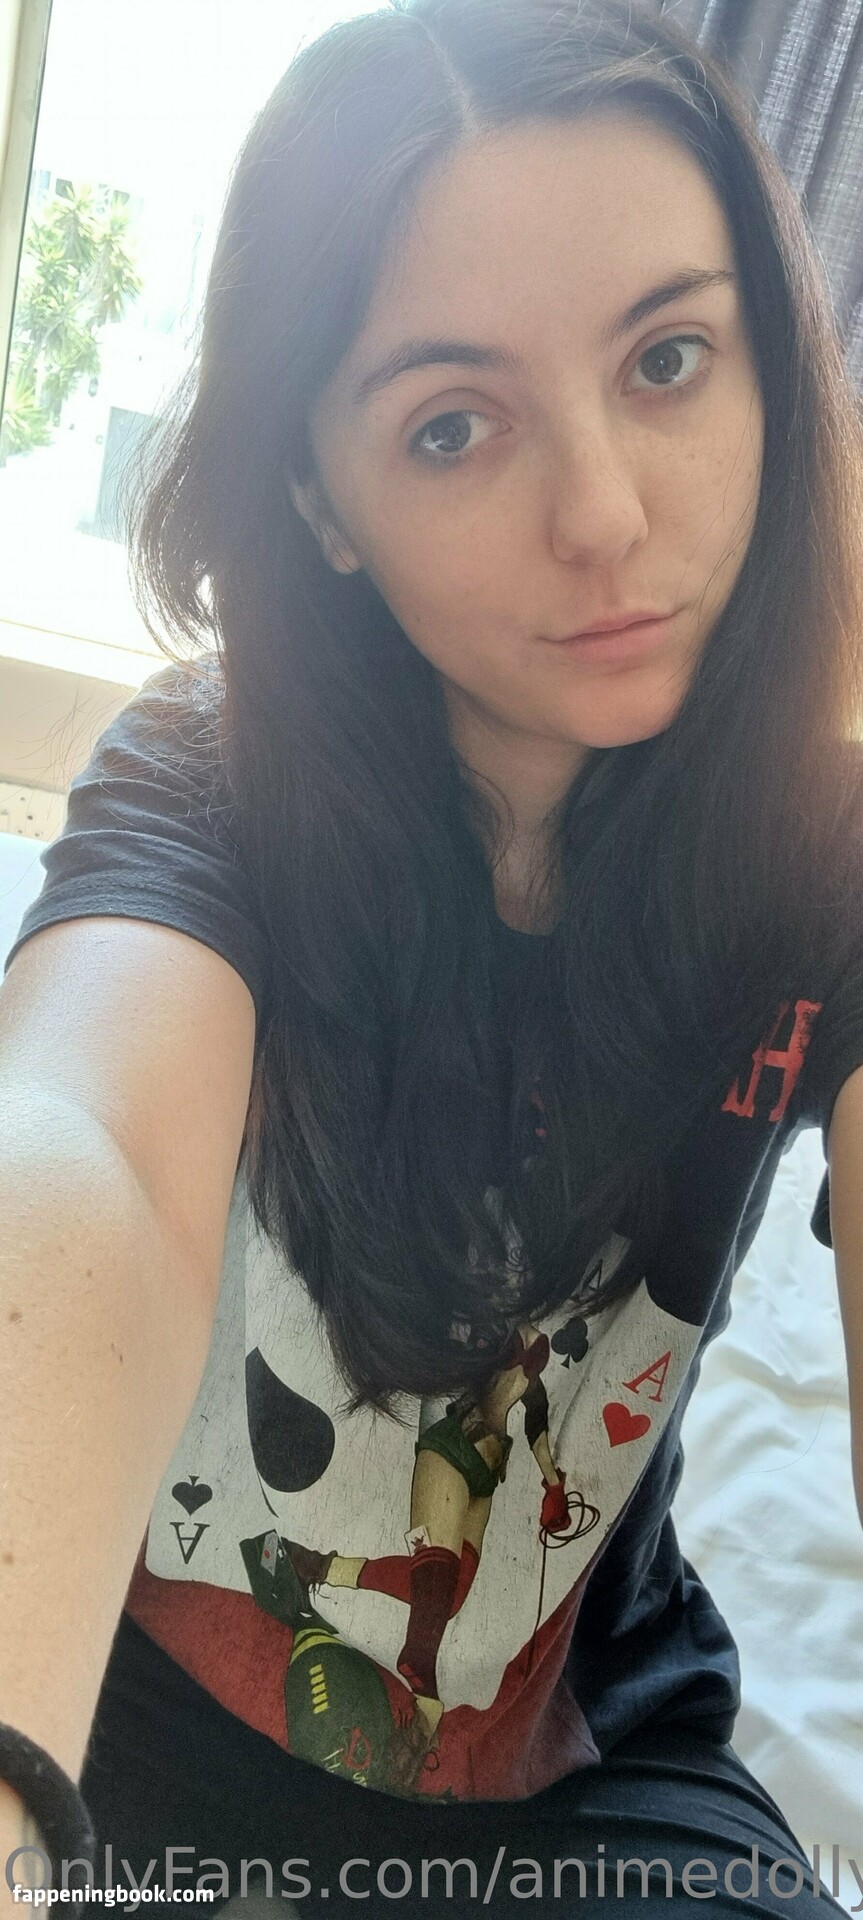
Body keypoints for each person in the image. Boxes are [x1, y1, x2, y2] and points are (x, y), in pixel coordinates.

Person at [1, 0, 862, 1910]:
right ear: (320, 496)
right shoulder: (210, 778)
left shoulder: (828, 855)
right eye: (452, 425)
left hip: (588, 1793)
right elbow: (81, 1166)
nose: (605, 516)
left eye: (668, 358)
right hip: (131, 1737)